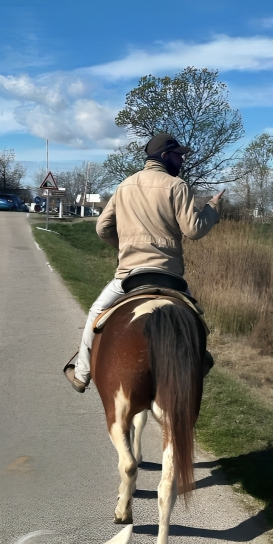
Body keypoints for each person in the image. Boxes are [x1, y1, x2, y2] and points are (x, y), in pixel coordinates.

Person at [64, 132, 225, 392]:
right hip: (169, 275)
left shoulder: (125, 185)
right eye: (178, 155)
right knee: (196, 317)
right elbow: (194, 230)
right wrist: (212, 210)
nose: (181, 160)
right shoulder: (177, 186)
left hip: (129, 276)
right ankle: (200, 361)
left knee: (96, 313)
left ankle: (82, 374)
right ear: (164, 156)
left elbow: (102, 228)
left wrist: (125, 245)